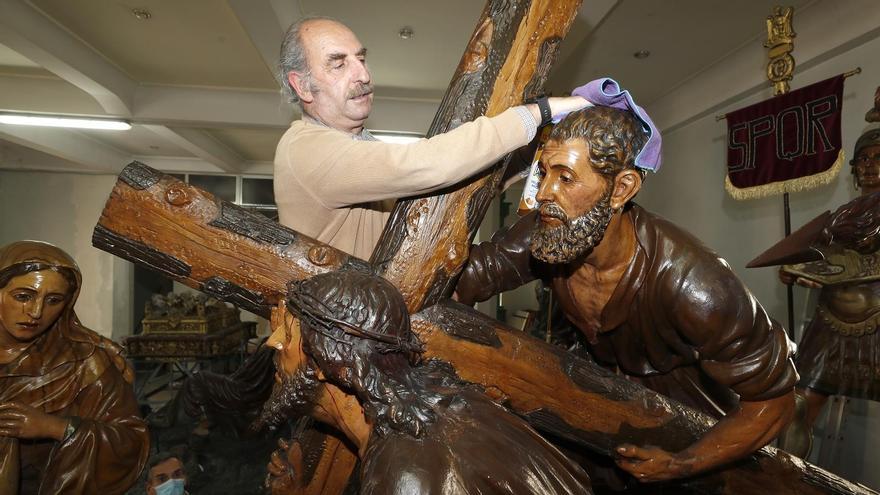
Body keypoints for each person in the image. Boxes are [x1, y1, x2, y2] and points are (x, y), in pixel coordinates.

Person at [454, 96, 797, 483]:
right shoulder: (552, 230)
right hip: (604, 421)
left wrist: (682, 463)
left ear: (621, 189)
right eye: (545, 172)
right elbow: (467, 277)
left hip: (697, 444)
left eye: (565, 177)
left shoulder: (696, 285)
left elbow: (774, 402)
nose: (545, 192)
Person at [273, 16, 591, 259]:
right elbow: (424, 165)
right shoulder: (305, 149)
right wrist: (536, 113)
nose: (363, 75)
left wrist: (519, 159)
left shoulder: (357, 145)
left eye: (361, 59)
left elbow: (428, 199)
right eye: (339, 64)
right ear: (301, 86)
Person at [259, 270, 593, 494]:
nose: (272, 342)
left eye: (287, 334)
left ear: (326, 360)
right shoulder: (453, 401)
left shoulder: (403, 477)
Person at [0, 240, 149, 494]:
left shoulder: (85, 362)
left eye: (54, 300)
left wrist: (55, 427)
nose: (36, 312)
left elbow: (131, 439)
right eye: (23, 296)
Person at [779, 127, 880, 455]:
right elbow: (819, 256)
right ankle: (785, 480)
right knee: (798, 407)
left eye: (879, 157)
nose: (870, 164)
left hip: (876, 318)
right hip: (832, 319)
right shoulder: (841, 215)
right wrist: (796, 268)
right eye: (864, 158)